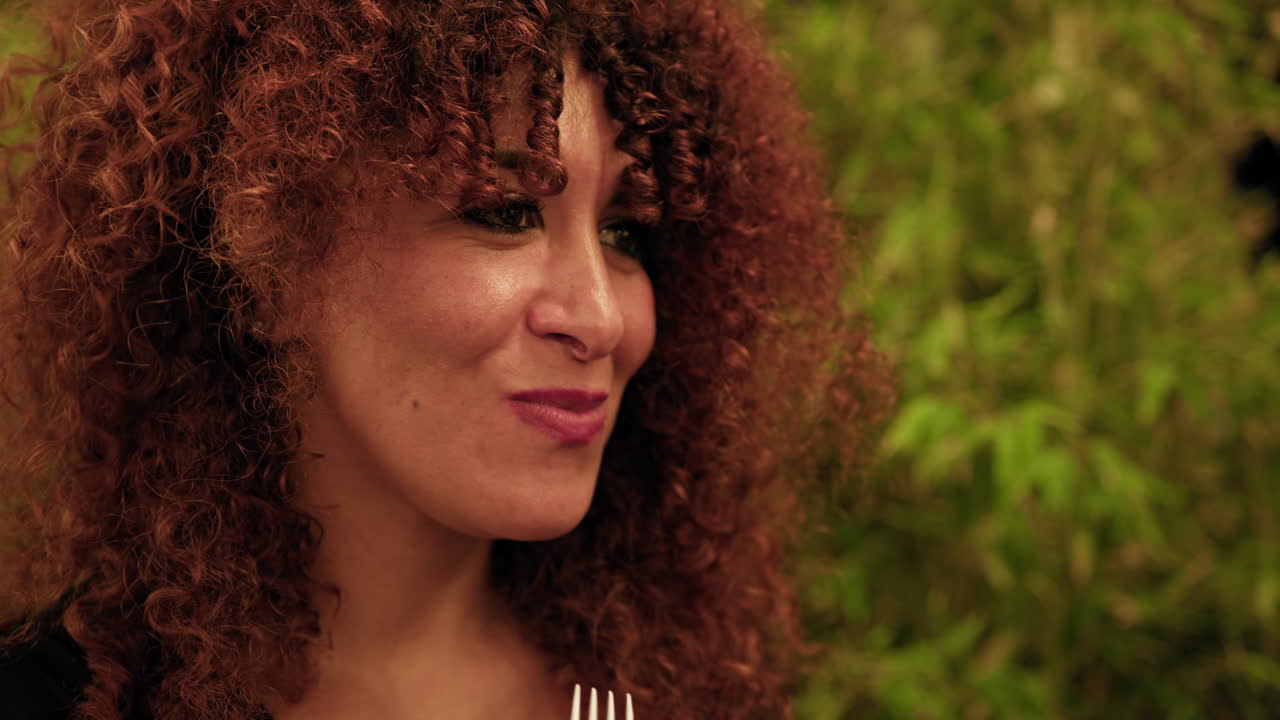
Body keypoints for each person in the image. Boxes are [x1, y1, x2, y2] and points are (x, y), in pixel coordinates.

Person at [0, 1, 891, 719]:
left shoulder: (666, 688)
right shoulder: (57, 698)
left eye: (627, 233)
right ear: (262, 257)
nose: (600, 318)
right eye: (502, 212)